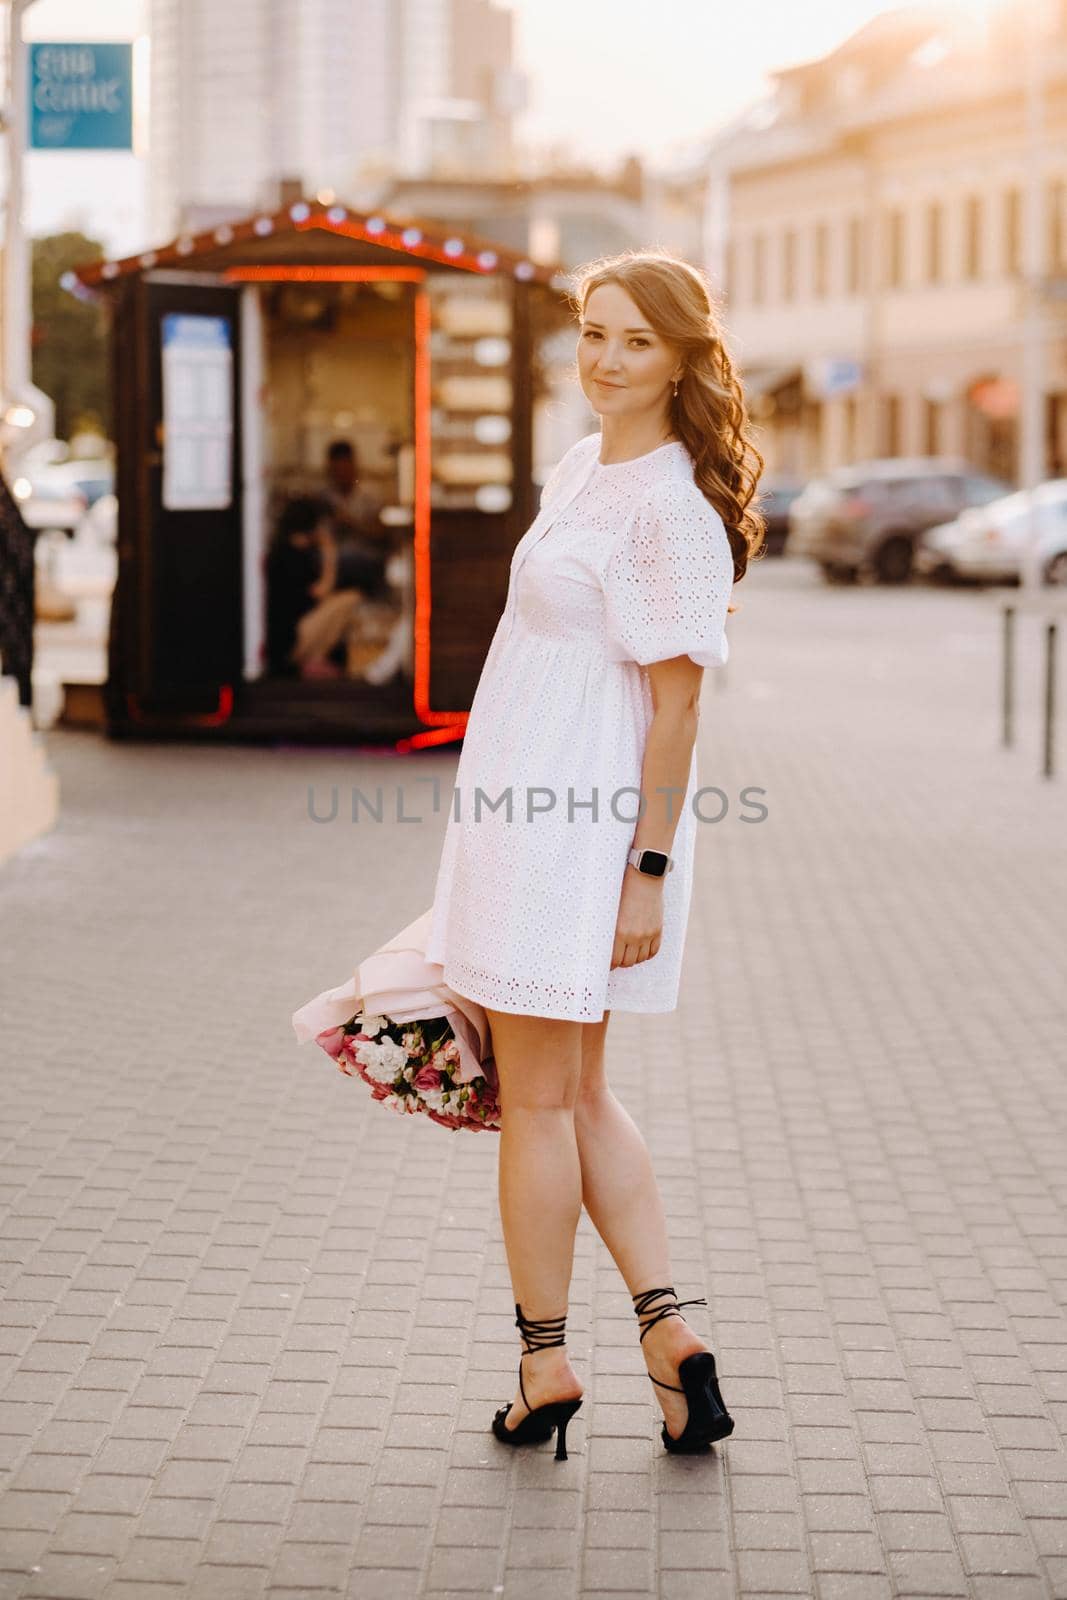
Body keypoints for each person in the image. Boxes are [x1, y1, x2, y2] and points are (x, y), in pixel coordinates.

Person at [423, 250, 766, 1458]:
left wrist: (648, 872)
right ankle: (671, 1340)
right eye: (592, 332)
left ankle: (542, 1363)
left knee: (536, 1103)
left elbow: (676, 713)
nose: (604, 359)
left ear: (682, 357)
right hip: (524, 816)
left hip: (582, 835)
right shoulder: (581, 468)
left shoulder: (669, 510)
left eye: (634, 340)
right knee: (578, 1093)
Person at [265, 495, 362, 679]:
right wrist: (329, 553)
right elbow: (321, 593)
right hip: (291, 637)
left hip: (291, 632)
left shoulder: (283, 549)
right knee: (350, 599)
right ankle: (312, 659)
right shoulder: (291, 555)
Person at [322, 439, 389, 597]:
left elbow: (381, 534)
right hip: (332, 568)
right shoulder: (322, 498)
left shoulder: (370, 497)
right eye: (337, 469)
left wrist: (352, 523)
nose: (342, 473)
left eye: (346, 467)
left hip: (364, 567)